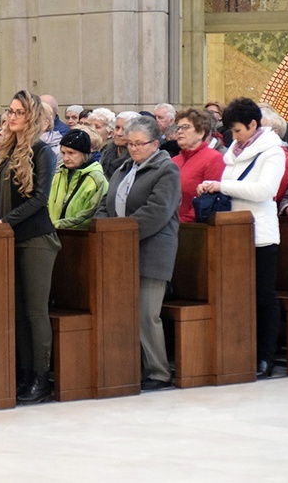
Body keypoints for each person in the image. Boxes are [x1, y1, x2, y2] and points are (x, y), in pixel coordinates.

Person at [197, 97, 285, 379]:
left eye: (237, 130)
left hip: (260, 233)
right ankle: (241, 351)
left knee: (263, 296)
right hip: (232, 233)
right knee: (236, 296)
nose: (233, 137)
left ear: (253, 124)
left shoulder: (272, 151)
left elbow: (264, 190)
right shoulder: (235, 150)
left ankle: (266, 356)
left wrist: (221, 185)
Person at [0, 90, 61, 405]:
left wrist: (5, 222)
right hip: (10, 238)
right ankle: (25, 374)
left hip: (36, 238)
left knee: (34, 311)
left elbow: (40, 199)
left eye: (19, 112)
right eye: (10, 111)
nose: (12, 117)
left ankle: (42, 378)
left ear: (31, 117)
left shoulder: (42, 151)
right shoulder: (7, 151)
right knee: (17, 312)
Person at [95, 116, 180, 391]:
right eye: (130, 144)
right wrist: (103, 227)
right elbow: (106, 202)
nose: (133, 149)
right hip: (122, 251)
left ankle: (159, 371)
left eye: (139, 144)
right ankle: (137, 366)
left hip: (152, 250)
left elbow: (157, 211)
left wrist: (121, 234)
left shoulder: (166, 170)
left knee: (146, 313)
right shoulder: (124, 168)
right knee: (127, 313)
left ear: (155, 143)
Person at [171, 108, 225, 222]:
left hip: (194, 228)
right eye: (178, 128)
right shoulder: (173, 161)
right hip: (169, 227)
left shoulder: (214, 159)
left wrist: (183, 222)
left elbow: (209, 201)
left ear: (201, 133)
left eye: (185, 127)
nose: (180, 131)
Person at [48, 128, 108, 229]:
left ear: (84, 153)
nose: (66, 158)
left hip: (80, 237)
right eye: (63, 153)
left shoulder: (96, 179)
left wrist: (57, 225)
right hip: (54, 234)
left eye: (71, 153)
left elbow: (90, 214)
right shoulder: (59, 174)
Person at [100, 111, 140, 180]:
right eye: (117, 128)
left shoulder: (138, 158)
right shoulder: (106, 152)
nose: (119, 133)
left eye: (124, 129)